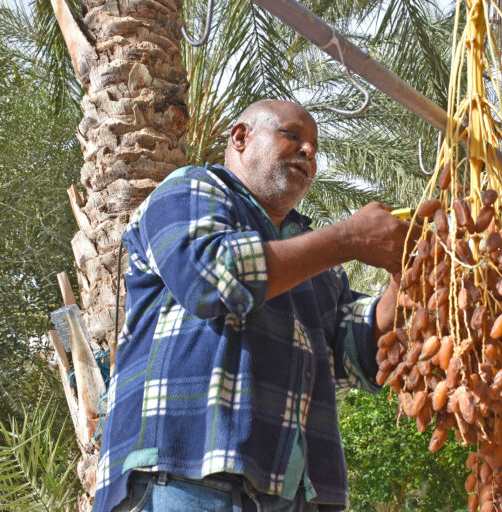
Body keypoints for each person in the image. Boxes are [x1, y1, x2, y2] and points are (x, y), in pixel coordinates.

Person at [94, 100, 413, 512]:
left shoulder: (310, 254)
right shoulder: (190, 189)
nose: (309, 152)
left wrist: (405, 274)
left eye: (315, 146)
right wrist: (348, 239)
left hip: (294, 493)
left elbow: (359, 352)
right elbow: (211, 277)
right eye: (293, 135)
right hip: (185, 477)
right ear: (241, 138)